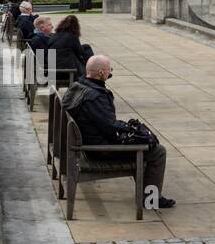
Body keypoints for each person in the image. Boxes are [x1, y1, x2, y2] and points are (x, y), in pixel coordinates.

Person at [62, 55, 174, 210]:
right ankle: (151, 200)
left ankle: (148, 195)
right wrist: (129, 129)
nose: (110, 72)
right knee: (157, 151)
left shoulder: (77, 85)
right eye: (109, 70)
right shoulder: (96, 96)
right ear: (101, 73)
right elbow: (109, 126)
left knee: (142, 143)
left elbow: (105, 123)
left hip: (86, 142)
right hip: (97, 150)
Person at [50, 14, 95, 78]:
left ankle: (94, 66)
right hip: (65, 68)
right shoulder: (71, 36)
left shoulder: (56, 35)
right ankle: (94, 68)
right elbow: (80, 52)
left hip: (55, 64)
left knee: (86, 47)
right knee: (86, 50)